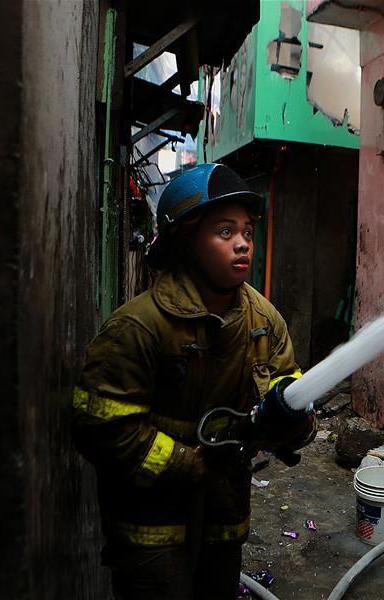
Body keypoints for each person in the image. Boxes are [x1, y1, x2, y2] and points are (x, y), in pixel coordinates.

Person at [72, 163, 316, 599]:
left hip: (224, 522)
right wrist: (192, 464)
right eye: (225, 231)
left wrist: (292, 421)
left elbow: (290, 390)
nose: (243, 243)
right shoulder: (138, 327)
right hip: (151, 531)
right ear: (185, 241)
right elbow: (102, 428)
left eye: (247, 231)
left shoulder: (264, 322)